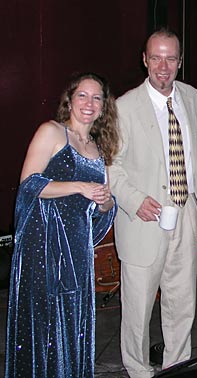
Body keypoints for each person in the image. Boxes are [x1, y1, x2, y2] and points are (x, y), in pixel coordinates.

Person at [5, 72, 119, 378]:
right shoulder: (52, 132)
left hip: (77, 250)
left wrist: (107, 201)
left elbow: (100, 207)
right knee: (45, 323)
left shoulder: (98, 148)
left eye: (97, 97)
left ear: (103, 106)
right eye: (83, 95)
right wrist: (78, 186)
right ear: (69, 99)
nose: (89, 103)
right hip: (44, 247)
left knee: (74, 321)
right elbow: (29, 185)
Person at [109, 28, 197, 378]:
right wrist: (135, 200)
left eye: (170, 58)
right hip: (144, 218)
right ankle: (137, 370)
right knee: (137, 306)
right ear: (144, 60)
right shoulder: (122, 107)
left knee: (182, 303)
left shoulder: (193, 98)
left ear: (180, 61)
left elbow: (194, 145)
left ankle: (176, 366)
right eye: (156, 58)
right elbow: (110, 166)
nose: (163, 66)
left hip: (185, 212)